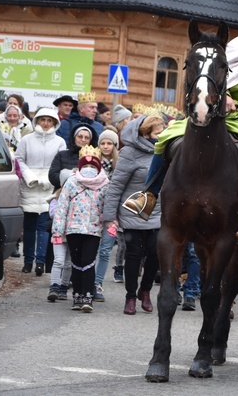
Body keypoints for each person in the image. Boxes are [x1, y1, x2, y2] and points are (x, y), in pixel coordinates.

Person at [123, 16, 238, 246]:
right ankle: (148, 194)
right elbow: (211, 76)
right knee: (169, 136)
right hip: (215, 112)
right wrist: (223, 97)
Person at [103, 114, 164, 315]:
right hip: (133, 211)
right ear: (146, 134)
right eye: (158, 131)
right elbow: (116, 185)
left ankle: (145, 291)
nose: (162, 133)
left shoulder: (165, 150)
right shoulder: (129, 152)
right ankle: (130, 296)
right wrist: (109, 216)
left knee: (155, 254)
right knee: (134, 255)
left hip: (157, 211)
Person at [51, 146, 109, 312]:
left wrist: (111, 225)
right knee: (76, 263)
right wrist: (57, 231)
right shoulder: (71, 182)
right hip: (73, 229)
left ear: (98, 168)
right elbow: (62, 207)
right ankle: (77, 295)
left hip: (93, 230)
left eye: (92, 167)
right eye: (86, 167)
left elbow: (109, 207)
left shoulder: (105, 185)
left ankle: (88, 295)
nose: (89, 170)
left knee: (89, 262)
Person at [14, 108, 66, 276]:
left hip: (47, 187)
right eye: (42, 119)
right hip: (29, 185)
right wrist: (29, 176)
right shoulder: (27, 140)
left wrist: (48, 179)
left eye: (49, 120)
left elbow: (60, 163)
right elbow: (19, 159)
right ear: (36, 121)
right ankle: (28, 261)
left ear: (54, 122)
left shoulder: (59, 141)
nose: (45, 123)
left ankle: (40, 262)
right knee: (29, 226)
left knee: (43, 226)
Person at [93, 128, 120, 301]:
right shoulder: (91, 163)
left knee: (105, 251)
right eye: (103, 143)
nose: (105, 146)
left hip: (112, 215)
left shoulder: (120, 165)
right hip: (93, 212)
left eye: (109, 143)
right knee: (91, 250)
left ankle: (97, 283)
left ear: (115, 145)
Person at [49, 123, 98, 191]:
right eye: (80, 136)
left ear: (90, 140)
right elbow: (53, 177)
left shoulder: (94, 157)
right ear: (74, 138)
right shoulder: (61, 155)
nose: (83, 140)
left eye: (87, 138)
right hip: (63, 192)